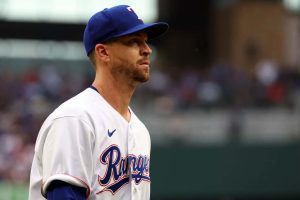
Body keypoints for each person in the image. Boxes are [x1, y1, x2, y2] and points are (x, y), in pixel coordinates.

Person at [29, 5, 168, 200]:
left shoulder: (140, 131)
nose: (147, 50)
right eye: (134, 42)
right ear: (103, 52)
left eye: (146, 42)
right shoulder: (75, 119)